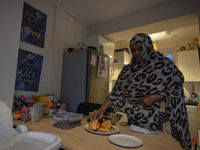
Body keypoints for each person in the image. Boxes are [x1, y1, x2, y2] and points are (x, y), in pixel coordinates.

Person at [89, 33, 191, 149]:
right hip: (137, 120)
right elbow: (115, 94)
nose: (136, 53)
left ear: (147, 47)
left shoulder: (163, 64)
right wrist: (101, 110)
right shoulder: (128, 70)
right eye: (133, 50)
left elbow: (177, 83)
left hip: (161, 119)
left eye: (140, 49)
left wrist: (155, 97)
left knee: (160, 146)